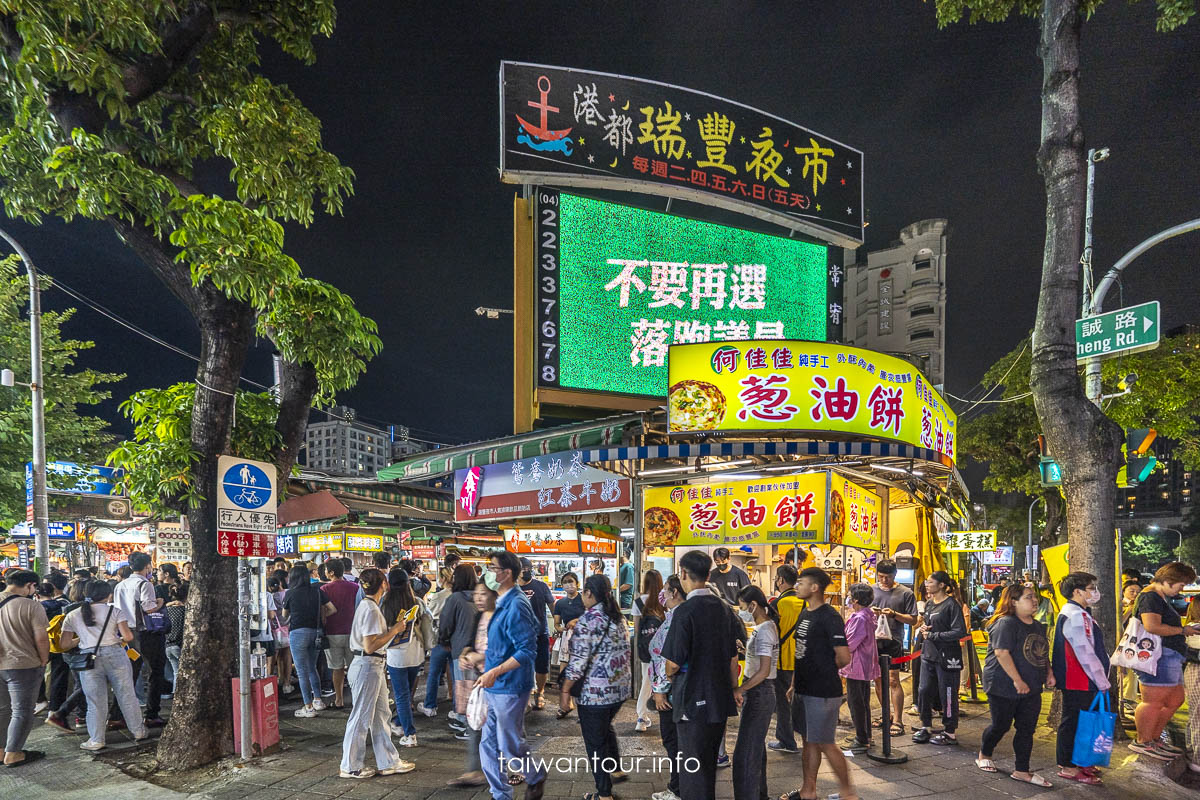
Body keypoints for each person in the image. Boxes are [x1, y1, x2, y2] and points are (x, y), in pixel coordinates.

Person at [661, 550, 741, 800]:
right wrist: (734, 688)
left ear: (683, 573)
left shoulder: (685, 611)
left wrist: (670, 676)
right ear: (708, 574)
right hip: (718, 698)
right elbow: (732, 656)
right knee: (708, 761)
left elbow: (672, 663)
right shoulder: (724, 608)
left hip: (691, 699)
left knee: (692, 765)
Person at [477, 550, 548, 800]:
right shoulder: (500, 599)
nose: (490, 572)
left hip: (511, 686)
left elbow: (527, 650)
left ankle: (535, 775)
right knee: (487, 745)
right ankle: (501, 794)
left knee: (509, 744)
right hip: (494, 685)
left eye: (493, 567)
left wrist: (496, 670)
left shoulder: (517, 604)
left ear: (507, 573)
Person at [780, 567, 854, 800]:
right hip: (803, 688)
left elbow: (844, 657)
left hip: (822, 691)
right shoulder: (805, 613)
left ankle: (848, 793)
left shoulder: (829, 616)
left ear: (814, 587)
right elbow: (801, 652)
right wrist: (794, 683)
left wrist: (822, 671)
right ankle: (808, 790)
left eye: (801, 582)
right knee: (809, 742)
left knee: (824, 742)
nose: (797, 586)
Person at [337, 568, 415, 779]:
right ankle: (351, 765)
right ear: (383, 585)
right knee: (362, 716)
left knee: (381, 715)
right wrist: (395, 630)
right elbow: (370, 645)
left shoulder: (368, 606)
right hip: (367, 664)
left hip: (372, 665)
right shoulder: (371, 609)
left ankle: (388, 761)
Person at [560, 574, 632, 800]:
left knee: (595, 744)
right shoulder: (618, 618)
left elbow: (577, 664)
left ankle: (604, 794)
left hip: (595, 694)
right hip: (619, 690)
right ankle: (616, 769)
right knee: (604, 728)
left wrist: (564, 691)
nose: (582, 595)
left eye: (583, 591)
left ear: (589, 593)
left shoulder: (588, 620)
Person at [977, 583, 1054, 786]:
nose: (1035, 601)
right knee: (1000, 725)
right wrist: (1017, 680)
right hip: (1003, 684)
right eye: (1029, 597)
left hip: (1032, 685)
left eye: (1034, 597)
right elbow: (1002, 653)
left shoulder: (1037, 625)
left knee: (1027, 728)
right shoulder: (1006, 623)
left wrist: (1049, 672)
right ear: (1013, 602)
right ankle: (984, 754)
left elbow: (1041, 651)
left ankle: (1022, 770)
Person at [58, 579, 147, 750]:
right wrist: (116, 639)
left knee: (95, 700)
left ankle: (97, 740)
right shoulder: (115, 611)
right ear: (108, 595)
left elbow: (64, 644)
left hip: (88, 658)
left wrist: (84, 639)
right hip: (115, 654)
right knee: (126, 694)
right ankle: (139, 731)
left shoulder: (73, 615)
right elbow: (128, 637)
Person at [1130, 561, 1199, 760]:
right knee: (1152, 701)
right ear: (1169, 580)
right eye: (1181, 584)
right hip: (1158, 656)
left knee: (1175, 699)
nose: (1182, 589)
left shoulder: (1159, 596)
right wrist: (1183, 630)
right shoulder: (1150, 596)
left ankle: (1153, 738)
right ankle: (1143, 741)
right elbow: (1152, 626)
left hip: (1168, 655)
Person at [1052, 571, 1111, 785]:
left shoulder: (1080, 612)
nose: (1095, 592)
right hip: (1078, 679)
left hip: (1083, 679)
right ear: (1077, 592)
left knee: (1080, 721)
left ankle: (1078, 761)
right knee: (1073, 722)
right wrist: (1102, 680)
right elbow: (1084, 651)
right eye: (1091, 588)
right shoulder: (1075, 615)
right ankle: (1068, 766)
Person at [448, 575, 493, 789]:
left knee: (507, 729)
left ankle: (522, 769)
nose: (478, 598)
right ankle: (476, 769)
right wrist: (467, 655)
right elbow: (469, 643)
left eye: (483, 594)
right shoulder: (479, 616)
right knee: (475, 722)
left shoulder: (501, 618)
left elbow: (507, 652)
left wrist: (480, 657)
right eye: (476, 594)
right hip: (479, 680)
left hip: (500, 681)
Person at [732, 584, 778, 800]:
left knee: (746, 752)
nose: (741, 611)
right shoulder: (764, 628)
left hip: (759, 691)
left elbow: (764, 671)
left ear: (753, 605)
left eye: (742, 607)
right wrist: (745, 650)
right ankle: (759, 794)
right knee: (755, 749)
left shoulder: (764, 630)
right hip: (759, 690)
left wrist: (741, 688)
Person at [0, 570, 50, 766]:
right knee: (22, 711)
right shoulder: (31, 606)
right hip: (23, 665)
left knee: (2, 710)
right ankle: (13, 753)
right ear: (30, 585)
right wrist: (44, 660)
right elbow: (41, 638)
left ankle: (1, 750)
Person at [112, 552, 168, 726]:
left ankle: (116, 715)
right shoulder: (144, 584)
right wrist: (160, 602)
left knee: (129, 674)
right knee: (155, 672)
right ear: (147, 566)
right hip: (146, 634)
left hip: (127, 633)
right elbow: (149, 608)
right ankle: (152, 714)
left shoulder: (120, 586)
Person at [381, 568, 434, 747]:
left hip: (396, 655)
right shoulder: (417, 601)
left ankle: (409, 733)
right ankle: (399, 722)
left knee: (402, 695)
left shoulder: (384, 603)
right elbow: (429, 621)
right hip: (416, 654)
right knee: (407, 693)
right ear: (407, 583)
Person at [912, 570, 966, 746]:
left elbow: (959, 631)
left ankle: (950, 731)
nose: (927, 584)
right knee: (924, 690)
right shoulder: (929, 604)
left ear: (942, 585)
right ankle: (925, 725)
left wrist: (935, 636)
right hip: (928, 655)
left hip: (948, 658)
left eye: (930, 582)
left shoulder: (952, 605)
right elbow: (929, 625)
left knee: (948, 694)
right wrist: (924, 629)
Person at [649, 574, 687, 800]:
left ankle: (678, 788)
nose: (662, 593)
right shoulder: (676, 615)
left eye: (666, 589)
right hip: (673, 690)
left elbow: (668, 659)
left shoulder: (678, 618)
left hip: (671, 693)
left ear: (675, 592)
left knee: (674, 742)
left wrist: (660, 689)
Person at [872, 559, 918, 736]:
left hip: (894, 641)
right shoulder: (871, 590)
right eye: (881, 576)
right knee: (877, 678)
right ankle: (886, 714)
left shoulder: (905, 593)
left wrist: (894, 614)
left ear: (895, 575)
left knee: (893, 679)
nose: (884, 580)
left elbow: (913, 620)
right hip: (873, 640)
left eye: (888, 577)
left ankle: (898, 720)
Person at [283, 564, 335, 717]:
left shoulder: (290, 593)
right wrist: (322, 617)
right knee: (312, 667)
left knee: (301, 671)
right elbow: (332, 609)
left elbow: (285, 615)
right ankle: (318, 700)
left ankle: (308, 707)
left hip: (298, 633)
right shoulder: (317, 591)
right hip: (316, 632)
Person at [439, 564, 479, 733]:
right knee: (477, 686)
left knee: (463, 686)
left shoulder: (455, 599)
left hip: (461, 650)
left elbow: (445, 624)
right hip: (481, 650)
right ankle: (476, 719)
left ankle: (465, 723)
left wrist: (443, 640)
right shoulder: (482, 597)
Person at [769, 563, 804, 754]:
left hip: (783, 660)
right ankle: (806, 739)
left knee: (783, 703)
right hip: (803, 660)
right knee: (799, 701)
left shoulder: (777, 603)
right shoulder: (805, 601)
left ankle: (786, 741)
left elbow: (771, 632)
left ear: (781, 580)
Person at [840, 582, 879, 753]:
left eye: (850, 595)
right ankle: (866, 735)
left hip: (856, 666)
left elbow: (849, 643)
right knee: (863, 701)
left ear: (855, 599)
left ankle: (862, 738)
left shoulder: (859, 618)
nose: (848, 598)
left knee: (855, 702)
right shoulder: (868, 615)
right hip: (863, 664)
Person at [319, 558, 358, 710]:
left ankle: (339, 699)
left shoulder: (325, 590)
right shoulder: (355, 587)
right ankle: (355, 699)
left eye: (327, 570)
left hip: (332, 632)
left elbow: (323, 612)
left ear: (331, 572)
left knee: (337, 668)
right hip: (352, 633)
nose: (325, 573)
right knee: (354, 667)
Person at [517, 557, 555, 712]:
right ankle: (524, 697)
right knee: (521, 667)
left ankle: (540, 693)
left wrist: (558, 624)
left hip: (540, 634)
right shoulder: (511, 588)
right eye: (522, 568)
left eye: (527, 567)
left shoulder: (541, 586)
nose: (525, 570)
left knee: (541, 666)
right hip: (518, 636)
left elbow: (553, 606)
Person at [631, 569, 665, 732]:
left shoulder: (638, 602)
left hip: (646, 649)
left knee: (647, 681)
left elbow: (637, 629)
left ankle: (641, 717)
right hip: (664, 650)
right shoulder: (664, 601)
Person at [419, 567, 455, 719]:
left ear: (443, 579)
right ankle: (456, 707)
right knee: (455, 674)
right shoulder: (458, 595)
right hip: (455, 639)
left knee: (434, 673)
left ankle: (430, 705)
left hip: (440, 638)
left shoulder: (439, 596)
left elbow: (429, 614)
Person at [552, 571, 585, 717]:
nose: (568, 584)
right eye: (565, 582)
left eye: (570, 581)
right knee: (564, 672)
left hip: (583, 639)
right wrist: (562, 629)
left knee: (583, 672)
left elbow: (590, 616)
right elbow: (557, 623)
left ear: (577, 583)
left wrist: (576, 622)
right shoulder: (560, 603)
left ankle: (583, 708)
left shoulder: (584, 599)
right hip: (566, 639)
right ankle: (565, 704)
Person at [268, 574, 294, 694]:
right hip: (287, 629)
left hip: (274, 630)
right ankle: (287, 684)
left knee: (273, 657)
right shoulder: (288, 593)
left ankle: (272, 684)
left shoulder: (270, 596)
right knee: (287, 655)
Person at [1183, 595, 1200, 775]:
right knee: (1197, 716)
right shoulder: (1195, 629)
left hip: (1193, 672)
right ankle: (1197, 758)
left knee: (1195, 715)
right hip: (1196, 673)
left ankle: (1193, 753)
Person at [1120, 580, 1142, 711]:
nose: (1135, 594)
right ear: (1124, 591)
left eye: (1138, 592)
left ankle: (1130, 698)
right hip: (1122, 641)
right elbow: (1118, 622)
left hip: (1136, 642)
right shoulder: (1119, 604)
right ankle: (1124, 698)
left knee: (1134, 671)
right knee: (1125, 671)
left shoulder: (1140, 605)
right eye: (1132, 591)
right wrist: (1129, 610)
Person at [164, 584, 187, 691]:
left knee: (176, 671)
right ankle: (180, 692)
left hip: (167, 644)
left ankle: (175, 692)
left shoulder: (167, 610)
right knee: (184, 671)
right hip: (179, 644)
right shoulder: (185, 611)